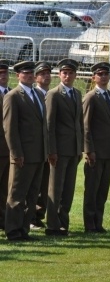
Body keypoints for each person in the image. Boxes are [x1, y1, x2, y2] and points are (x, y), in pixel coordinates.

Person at [3, 61, 47, 242]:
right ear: (18, 75)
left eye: (31, 73)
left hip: (38, 154)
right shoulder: (13, 96)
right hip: (23, 155)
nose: (29, 76)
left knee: (31, 195)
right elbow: (10, 128)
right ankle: (12, 231)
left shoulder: (37, 94)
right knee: (17, 194)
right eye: (25, 73)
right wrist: (16, 153)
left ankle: (23, 229)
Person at [44, 59, 83, 236]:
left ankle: (63, 223)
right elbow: (49, 125)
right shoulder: (54, 94)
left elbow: (79, 124)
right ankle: (52, 225)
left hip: (73, 150)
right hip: (59, 151)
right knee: (55, 189)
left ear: (75, 75)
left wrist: (80, 148)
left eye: (71, 73)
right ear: (59, 75)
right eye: (64, 73)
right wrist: (51, 150)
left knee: (68, 190)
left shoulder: (77, 93)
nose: (67, 76)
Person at [82, 62, 110, 234]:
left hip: (109, 152)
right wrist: (89, 150)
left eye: (106, 74)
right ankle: (89, 224)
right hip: (95, 152)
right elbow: (86, 126)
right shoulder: (91, 97)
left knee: (103, 190)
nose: (103, 77)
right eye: (100, 74)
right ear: (93, 77)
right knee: (92, 189)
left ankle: (98, 222)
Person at [32, 61, 52, 230]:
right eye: (42, 73)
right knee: (35, 184)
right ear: (36, 77)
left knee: (46, 183)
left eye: (48, 73)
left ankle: (39, 215)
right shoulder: (34, 94)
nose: (46, 76)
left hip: (50, 147)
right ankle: (32, 217)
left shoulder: (52, 94)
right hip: (36, 147)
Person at [0, 60, 11, 232]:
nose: (3, 76)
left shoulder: (11, 93)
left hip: (10, 149)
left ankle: (2, 220)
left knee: (5, 188)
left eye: (5, 73)